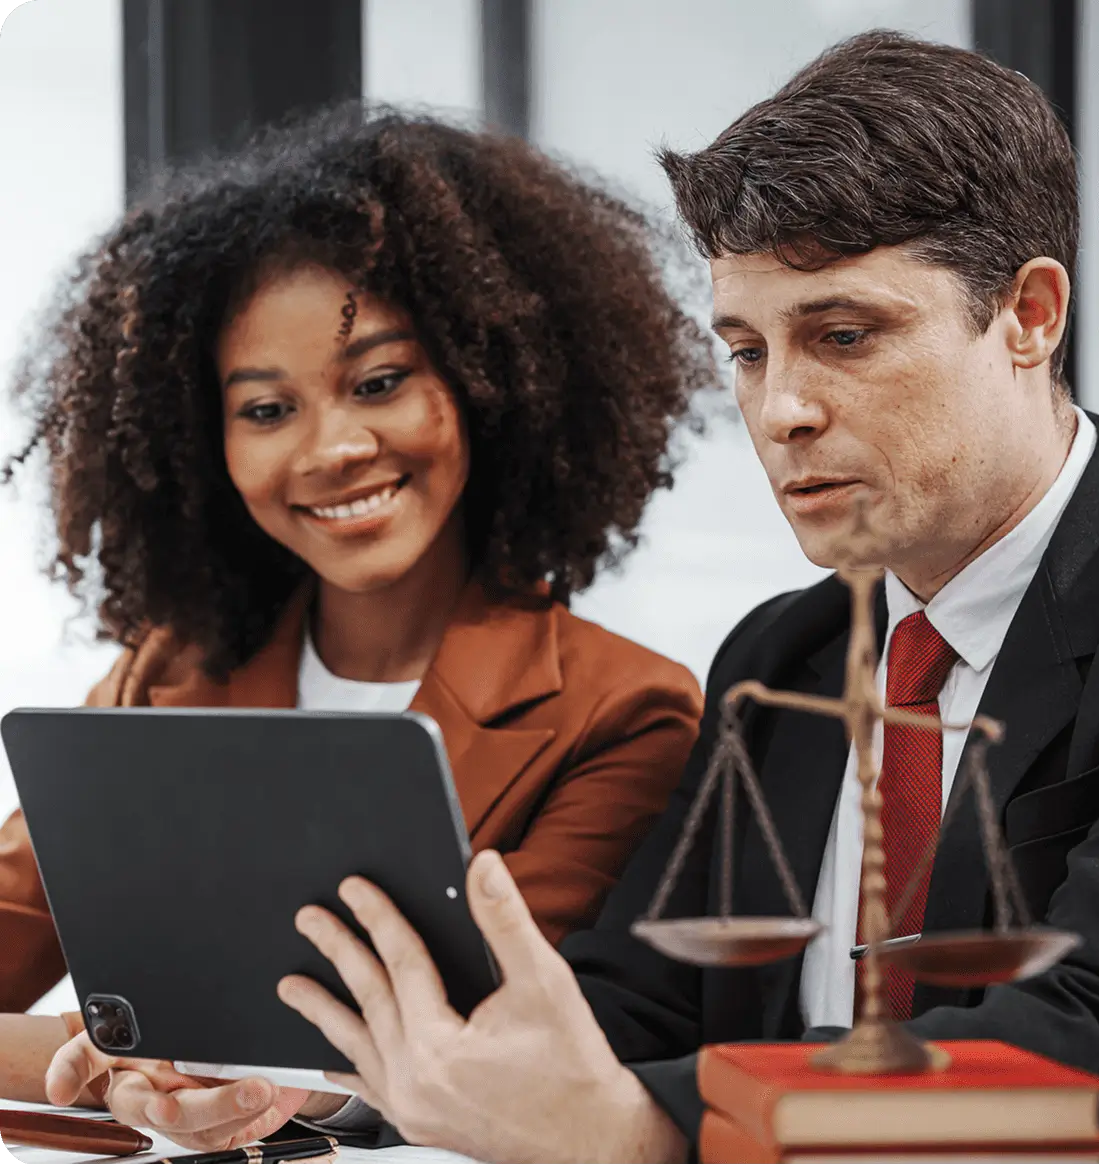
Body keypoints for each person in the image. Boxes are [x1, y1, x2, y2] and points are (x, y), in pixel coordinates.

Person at [49, 27, 1099, 1162]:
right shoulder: (784, 659)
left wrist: (643, 1130)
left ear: (1030, 315)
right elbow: (624, 1009)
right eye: (748, 350)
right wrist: (318, 1080)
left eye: (844, 335)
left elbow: (1096, 1046)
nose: (781, 411)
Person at [0, 102, 718, 1134]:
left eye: (380, 381)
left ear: (487, 382)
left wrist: (175, 1062)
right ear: (208, 444)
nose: (333, 446)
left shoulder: (624, 712)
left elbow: (490, 1052)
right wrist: (135, 1066)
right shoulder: (164, 676)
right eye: (266, 408)